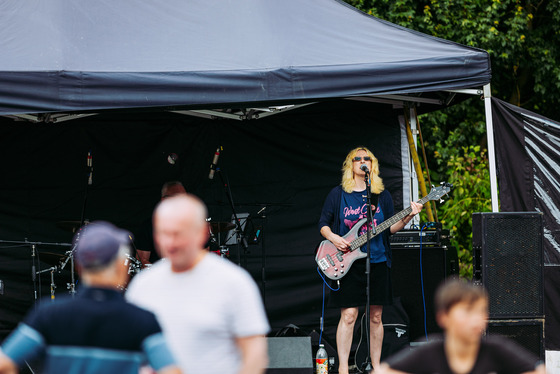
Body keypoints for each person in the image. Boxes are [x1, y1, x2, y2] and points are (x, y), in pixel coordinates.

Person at [0, 221, 181, 374]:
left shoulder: (48, 314)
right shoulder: (143, 320)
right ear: (122, 268)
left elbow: (3, 364)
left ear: (78, 266)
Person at [126, 194, 270, 374]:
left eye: (178, 233)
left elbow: (254, 352)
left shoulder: (233, 282)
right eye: (163, 233)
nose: (170, 242)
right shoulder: (143, 284)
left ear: (201, 233)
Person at [318, 146, 423, 373]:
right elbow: (323, 224)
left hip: (377, 259)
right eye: (358, 159)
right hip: (348, 262)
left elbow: (389, 229)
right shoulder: (338, 194)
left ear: (372, 165)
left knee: (376, 317)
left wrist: (408, 217)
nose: (363, 161)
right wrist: (335, 238)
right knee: (349, 315)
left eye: (367, 159)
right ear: (350, 165)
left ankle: (376, 367)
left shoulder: (381, 196)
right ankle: (344, 368)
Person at [379, 278, 546, 374]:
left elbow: (539, 370)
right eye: (468, 311)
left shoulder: (495, 348)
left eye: (481, 311)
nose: (477, 319)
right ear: (443, 317)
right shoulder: (430, 351)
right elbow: (382, 371)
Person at [135, 181, 187, 267]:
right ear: (164, 200)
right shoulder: (148, 226)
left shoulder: (194, 225)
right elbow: (141, 260)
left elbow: (204, 257)